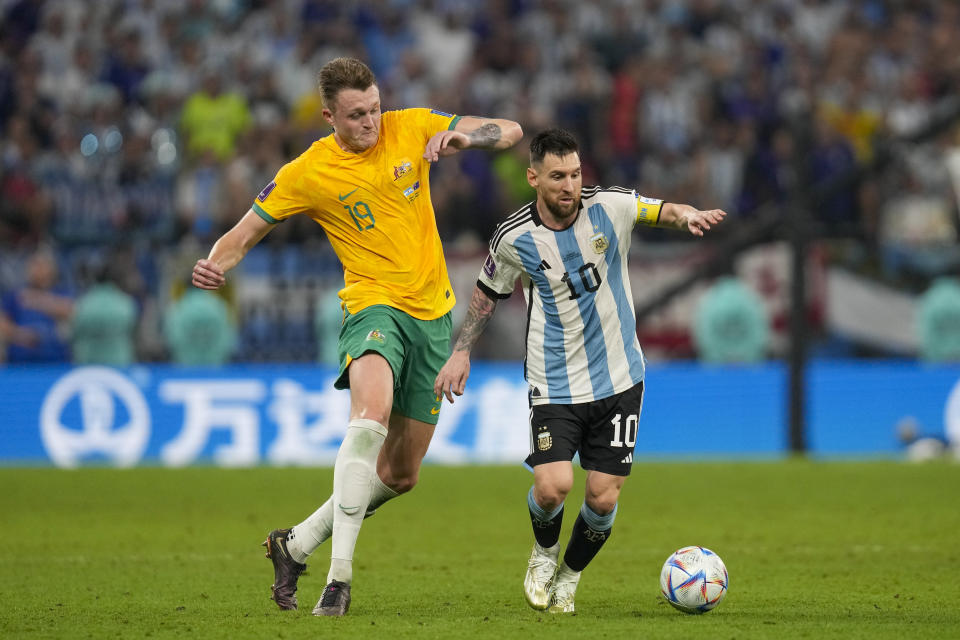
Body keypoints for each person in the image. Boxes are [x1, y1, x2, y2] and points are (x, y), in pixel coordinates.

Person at [191, 57, 522, 617]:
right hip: (372, 305)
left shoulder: (410, 125)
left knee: (401, 474)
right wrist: (214, 263)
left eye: (373, 108)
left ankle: (292, 545)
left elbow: (509, 131)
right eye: (355, 115)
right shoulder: (308, 171)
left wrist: (462, 135)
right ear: (329, 116)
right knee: (370, 416)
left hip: (434, 316)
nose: (370, 122)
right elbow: (247, 230)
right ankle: (338, 582)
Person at [433, 128, 726, 613]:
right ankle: (544, 556)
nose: (569, 185)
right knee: (553, 487)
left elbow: (659, 210)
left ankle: (569, 577)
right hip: (554, 380)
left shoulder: (609, 206)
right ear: (533, 178)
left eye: (574, 174)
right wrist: (462, 352)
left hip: (620, 377)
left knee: (603, 498)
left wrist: (687, 214)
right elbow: (488, 292)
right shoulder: (514, 237)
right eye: (557, 176)